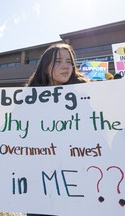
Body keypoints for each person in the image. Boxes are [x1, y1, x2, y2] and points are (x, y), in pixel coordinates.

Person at [24, 43, 88, 216]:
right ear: (45, 68)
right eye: (58, 61)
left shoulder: (87, 95)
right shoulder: (27, 100)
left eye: (69, 61)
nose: (66, 66)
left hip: (77, 181)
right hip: (39, 184)